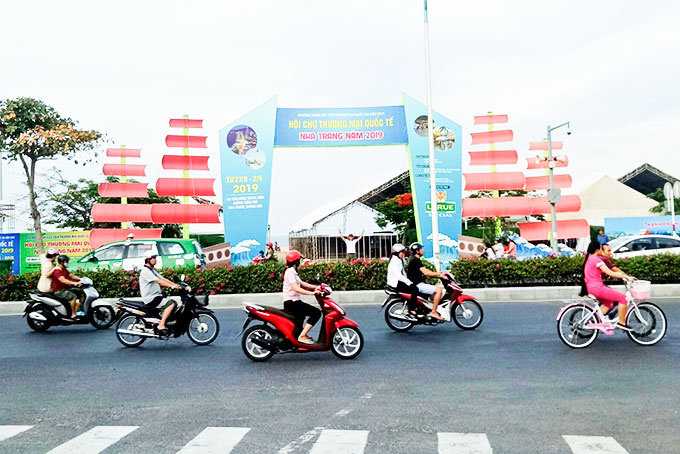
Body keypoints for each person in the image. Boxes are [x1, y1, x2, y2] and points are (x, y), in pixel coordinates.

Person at [581, 241, 634, 331]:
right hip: (597, 288)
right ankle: (622, 324)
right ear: (597, 250)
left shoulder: (590, 258)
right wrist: (626, 276)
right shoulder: (597, 260)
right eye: (601, 249)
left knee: (608, 303)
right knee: (623, 298)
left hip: (591, 288)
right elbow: (611, 273)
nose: (602, 251)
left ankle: (596, 321)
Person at [282, 250, 321, 344]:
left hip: (293, 302)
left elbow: (302, 283)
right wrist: (313, 293)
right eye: (299, 260)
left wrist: (316, 287)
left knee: (301, 318)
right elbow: (296, 288)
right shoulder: (290, 272)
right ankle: (302, 336)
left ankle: (300, 335)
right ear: (296, 262)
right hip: (292, 303)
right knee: (316, 313)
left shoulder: (292, 271)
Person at [140, 250, 181, 332]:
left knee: (173, 303)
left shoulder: (152, 270)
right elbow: (158, 281)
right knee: (171, 304)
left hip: (156, 296)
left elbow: (163, 279)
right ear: (148, 259)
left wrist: (177, 285)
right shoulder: (145, 271)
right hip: (151, 298)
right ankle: (161, 325)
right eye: (154, 258)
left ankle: (162, 318)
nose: (156, 259)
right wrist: (172, 286)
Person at [407, 242, 445, 320]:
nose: (423, 251)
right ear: (417, 251)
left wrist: (438, 274)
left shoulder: (415, 259)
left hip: (418, 283)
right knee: (439, 290)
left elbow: (424, 270)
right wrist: (439, 274)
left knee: (433, 288)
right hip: (417, 284)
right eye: (421, 249)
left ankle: (429, 308)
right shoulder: (415, 260)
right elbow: (425, 272)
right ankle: (434, 312)